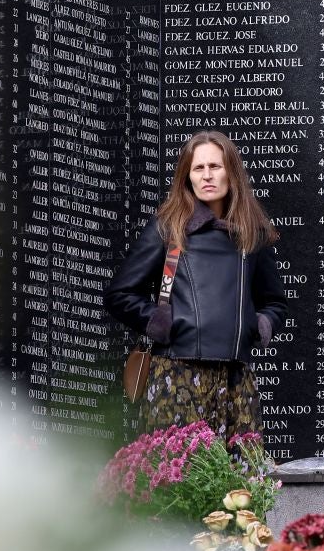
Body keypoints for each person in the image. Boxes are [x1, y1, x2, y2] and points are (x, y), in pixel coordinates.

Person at [105, 129, 288, 441]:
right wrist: (161, 321)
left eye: (215, 167)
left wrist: (258, 324)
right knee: (178, 473)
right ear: (187, 176)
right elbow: (119, 294)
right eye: (198, 168)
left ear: (231, 172)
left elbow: (276, 303)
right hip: (177, 374)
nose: (207, 176)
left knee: (238, 480)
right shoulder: (168, 228)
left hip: (235, 378)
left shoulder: (252, 235)